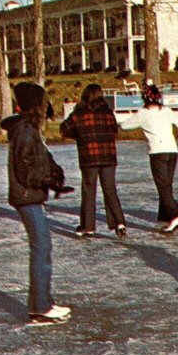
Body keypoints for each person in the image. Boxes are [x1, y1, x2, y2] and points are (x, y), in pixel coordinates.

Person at [0, 82, 74, 326]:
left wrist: (55, 174)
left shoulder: (29, 128)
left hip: (31, 195)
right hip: (26, 196)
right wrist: (45, 179)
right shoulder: (24, 130)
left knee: (42, 247)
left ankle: (41, 303)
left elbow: (40, 158)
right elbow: (25, 168)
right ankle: (40, 306)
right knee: (41, 247)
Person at [60, 84, 127, 239]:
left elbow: (63, 129)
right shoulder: (108, 113)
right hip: (108, 156)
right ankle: (119, 223)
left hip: (89, 157)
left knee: (89, 190)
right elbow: (114, 130)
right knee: (110, 189)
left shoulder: (79, 113)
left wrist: (79, 136)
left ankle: (88, 226)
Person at [120, 84, 178, 233]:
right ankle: (164, 219)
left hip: (158, 152)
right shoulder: (166, 110)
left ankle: (176, 216)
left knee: (162, 187)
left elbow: (125, 126)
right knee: (166, 186)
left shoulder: (143, 113)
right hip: (172, 151)